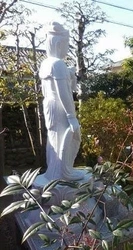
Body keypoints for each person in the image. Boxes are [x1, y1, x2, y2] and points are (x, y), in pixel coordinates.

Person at [39, 21, 84, 181]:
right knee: (65, 138)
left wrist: (70, 77)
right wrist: (71, 116)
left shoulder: (45, 63)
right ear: (58, 44)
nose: (67, 48)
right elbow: (64, 93)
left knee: (54, 139)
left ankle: (54, 171)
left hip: (50, 105)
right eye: (66, 44)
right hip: (60, 108)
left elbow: (68, 87)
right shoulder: (58, 64)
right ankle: (64, 173)